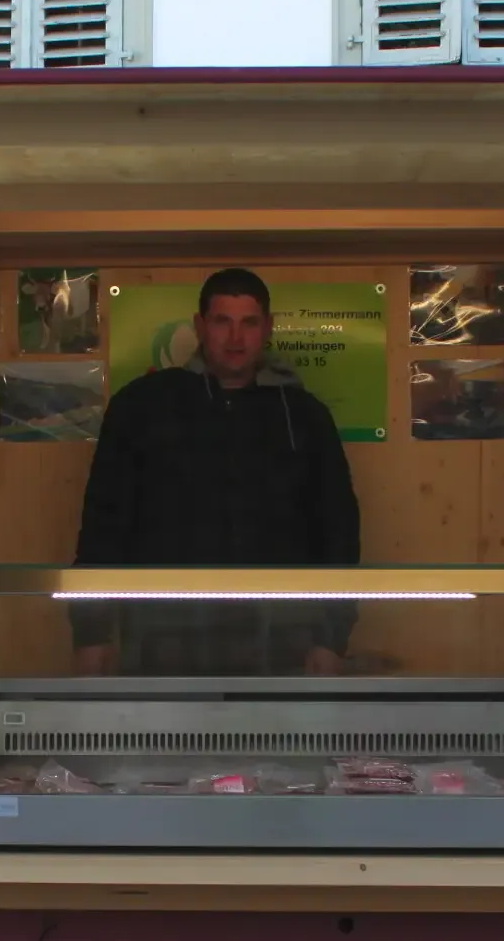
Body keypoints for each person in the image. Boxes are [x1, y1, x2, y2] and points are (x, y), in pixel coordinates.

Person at [72, 268, 360, 676]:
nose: (236, 338)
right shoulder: (143, 408)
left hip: (282, 640)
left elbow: (338, 533)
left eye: (249, 323)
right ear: (200, 326)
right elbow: (104, 525)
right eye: (223, 321)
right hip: (163, 638)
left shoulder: (305, 417)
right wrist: (91, 633)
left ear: (269, 328)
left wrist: (332, 638)